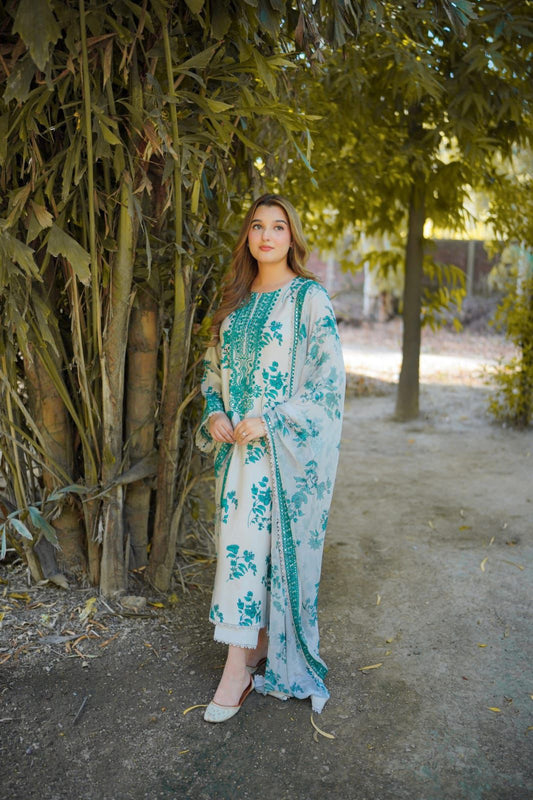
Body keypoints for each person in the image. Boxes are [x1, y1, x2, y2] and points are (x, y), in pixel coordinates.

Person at [196, 193, 345, 723]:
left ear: (291, 237)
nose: (266, 236)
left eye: (278, 227)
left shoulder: (309, 299)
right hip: (235, 456)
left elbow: (329, 385)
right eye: (257, 226)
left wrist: (275, 417)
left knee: (253, 550)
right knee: (241, 552)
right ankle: (257, 641)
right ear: (248, 237)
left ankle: (236, 670)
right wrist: (214, 414)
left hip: (281, 454)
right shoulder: (233, 306)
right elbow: (213, 377)